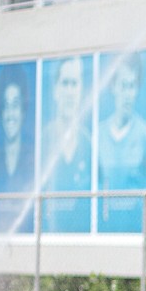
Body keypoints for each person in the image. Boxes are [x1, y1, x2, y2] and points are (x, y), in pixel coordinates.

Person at [41, 55, 91, 231]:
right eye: (65, 83)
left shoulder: (89, 144)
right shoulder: (43, 140)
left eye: (74, 84)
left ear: (81, 89)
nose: (70, 91)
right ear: (56, 90)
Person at [98, 54, 146, 192]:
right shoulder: (98, 135)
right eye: (123, 86)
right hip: (105, 212)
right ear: (113, 87)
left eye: (132, 86)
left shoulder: (145, 135)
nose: (127, 94)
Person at [0, 68, 35, 234]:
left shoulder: (33, 157)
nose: (10, 115)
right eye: (6, 106)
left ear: (23, 111)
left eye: (15, 105)